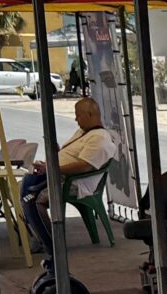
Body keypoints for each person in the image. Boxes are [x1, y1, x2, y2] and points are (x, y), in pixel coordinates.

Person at [21, 95, 119, 254]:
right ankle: (38, 235)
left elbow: (84, 166)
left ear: (89, 115)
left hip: (73, 183)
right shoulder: (83, 132)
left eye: (78, 114)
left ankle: (50, 241)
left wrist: (52, 169)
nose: (75, 119)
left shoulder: (99, 138)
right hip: (58, 175)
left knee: (33, 199)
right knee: (21, 188)